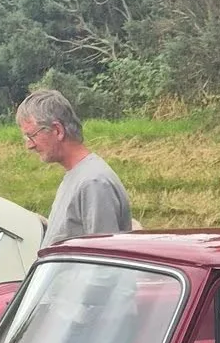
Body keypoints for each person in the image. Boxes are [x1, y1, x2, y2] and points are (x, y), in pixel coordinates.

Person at [15, 89, 133, 247]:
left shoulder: (93, 183)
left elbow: (103, 260)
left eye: (32, 136)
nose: (29, 145)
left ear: (58, 130)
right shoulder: (77, 176)